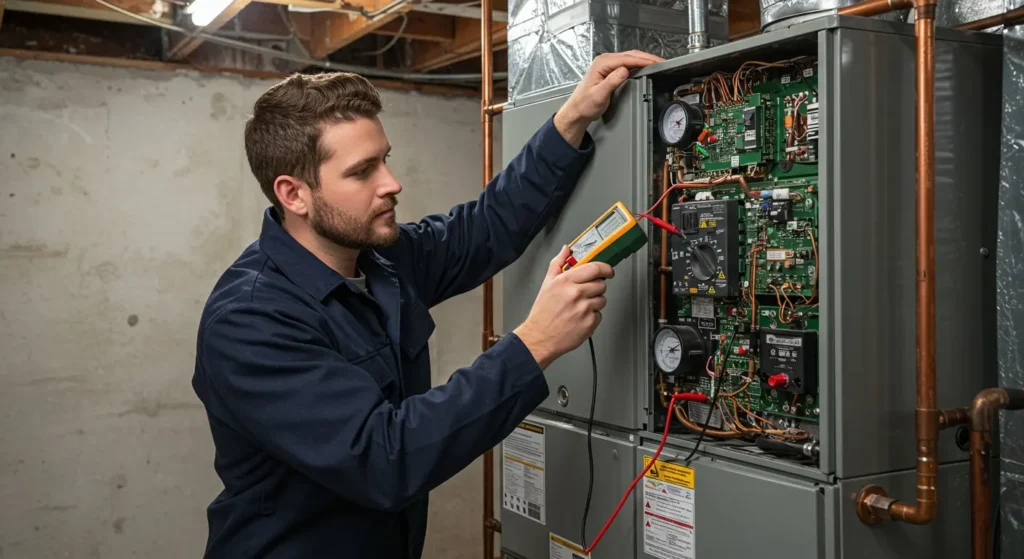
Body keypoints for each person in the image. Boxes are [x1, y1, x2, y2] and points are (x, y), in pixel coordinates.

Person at [191, 50, 663, 558]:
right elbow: (382, 458)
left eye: (385, 159)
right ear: (294, 194)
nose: (391, 183)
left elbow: (487, 227)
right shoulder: (250, 319)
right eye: (362, 171)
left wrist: (572, 118)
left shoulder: (381, 259)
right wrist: (534, 344)